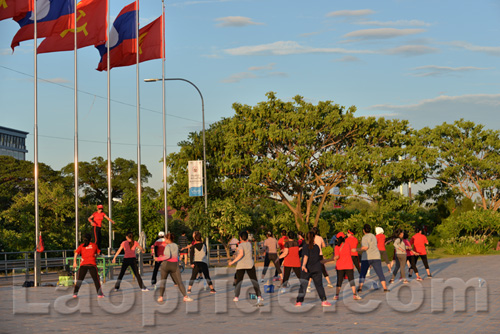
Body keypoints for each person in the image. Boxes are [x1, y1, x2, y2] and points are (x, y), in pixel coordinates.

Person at [295, 231, 331, 307]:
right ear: (314, 237)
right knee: (319, 285)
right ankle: (324, 301)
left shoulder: (305, 246)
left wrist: (304, 265)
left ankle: (299, 302)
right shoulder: (317, 247)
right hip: (316, 268)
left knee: (303, 285)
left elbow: (306, 256)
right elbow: (316, 257)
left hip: (307, 269)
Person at [228, 231, 263, 305]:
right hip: (250, 264)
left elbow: (241, 254)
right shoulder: (249, 244)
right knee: (254, 280)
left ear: (240, 237)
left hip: (241, 265)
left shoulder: (240, 245)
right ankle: (259, 296)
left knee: (239, 282)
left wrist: (232, 262)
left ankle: (236, 297)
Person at [156, 233, 193, 302]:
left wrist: (158, 258)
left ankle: (161, 297)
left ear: (168, 239)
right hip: (174, 265)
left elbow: (167, 256)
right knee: (179, 282)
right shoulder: (176, 245)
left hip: (166, 265)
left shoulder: (167, 246)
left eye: (165, 239)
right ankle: (185, 296)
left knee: (163, 281)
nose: (164, 240)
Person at [356, 224, 389, 293]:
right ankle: (385, 288)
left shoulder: (365, 237)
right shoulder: (374, 236)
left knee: (363, 273)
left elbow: (365, 247)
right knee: (380, 272)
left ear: (363, 230)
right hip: (376, 256)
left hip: (367, 258)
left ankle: (360, 288)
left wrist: (357, 249)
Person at [72, 233, 104, 298]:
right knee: (96, 280)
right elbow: (98, 253)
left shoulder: (81, 246)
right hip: (92, 264)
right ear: (91, 239)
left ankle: (75, 294)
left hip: (83, 264)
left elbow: (76, 253)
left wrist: (74, 262)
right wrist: (95, 256)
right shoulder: (94, 245)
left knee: (80, 279)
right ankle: (100, 294)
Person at [332, 232, 362, 301]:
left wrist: (332, 258)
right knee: (351, 280)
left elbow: (337, 257)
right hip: (349, 265)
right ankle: (355, 295)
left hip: (340, 266)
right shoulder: (348, 245)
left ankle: (336, 295)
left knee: (339, 281)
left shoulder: (336, 247)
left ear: (337, 239)